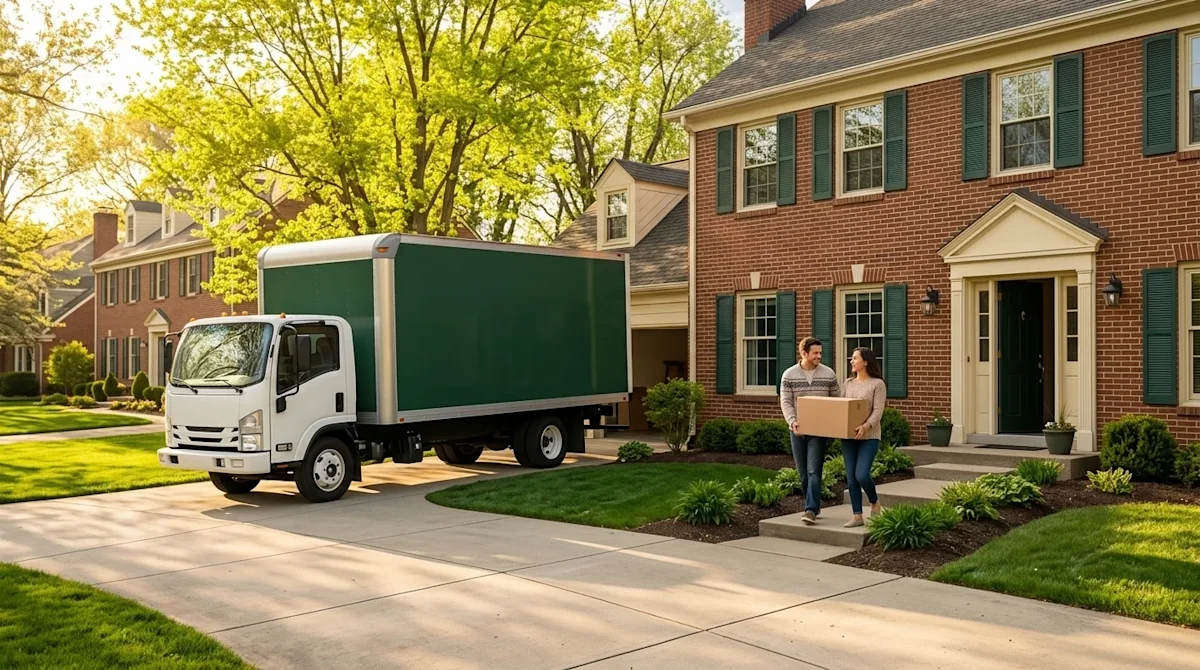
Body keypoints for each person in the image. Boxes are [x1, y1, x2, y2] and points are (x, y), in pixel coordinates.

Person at [780, 337, 842, 525]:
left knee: (814, 469)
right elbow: (786, 402)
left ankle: (810, 510)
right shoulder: (789, 375)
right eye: (815, 353)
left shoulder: (828, 374)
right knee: (803, 473)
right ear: (804, 353)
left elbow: (838, 399)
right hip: (797, 429)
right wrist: (792, 422)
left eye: (820, 352)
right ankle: (813, 504)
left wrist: (832, 423)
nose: (819, 356)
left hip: (819, 430)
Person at [841, 347, 888, 528]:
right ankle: (857, 516)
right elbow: (842, 407)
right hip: (849, 437)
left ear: (866, 362)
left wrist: (865, 426)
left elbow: (878, 411)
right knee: (851, 477)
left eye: (855, 358)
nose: (851, 361)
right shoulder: (848, 383)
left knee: (861, 474)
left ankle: (875, 503)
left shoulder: (878, 384)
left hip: (869, 436)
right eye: (851, 359)